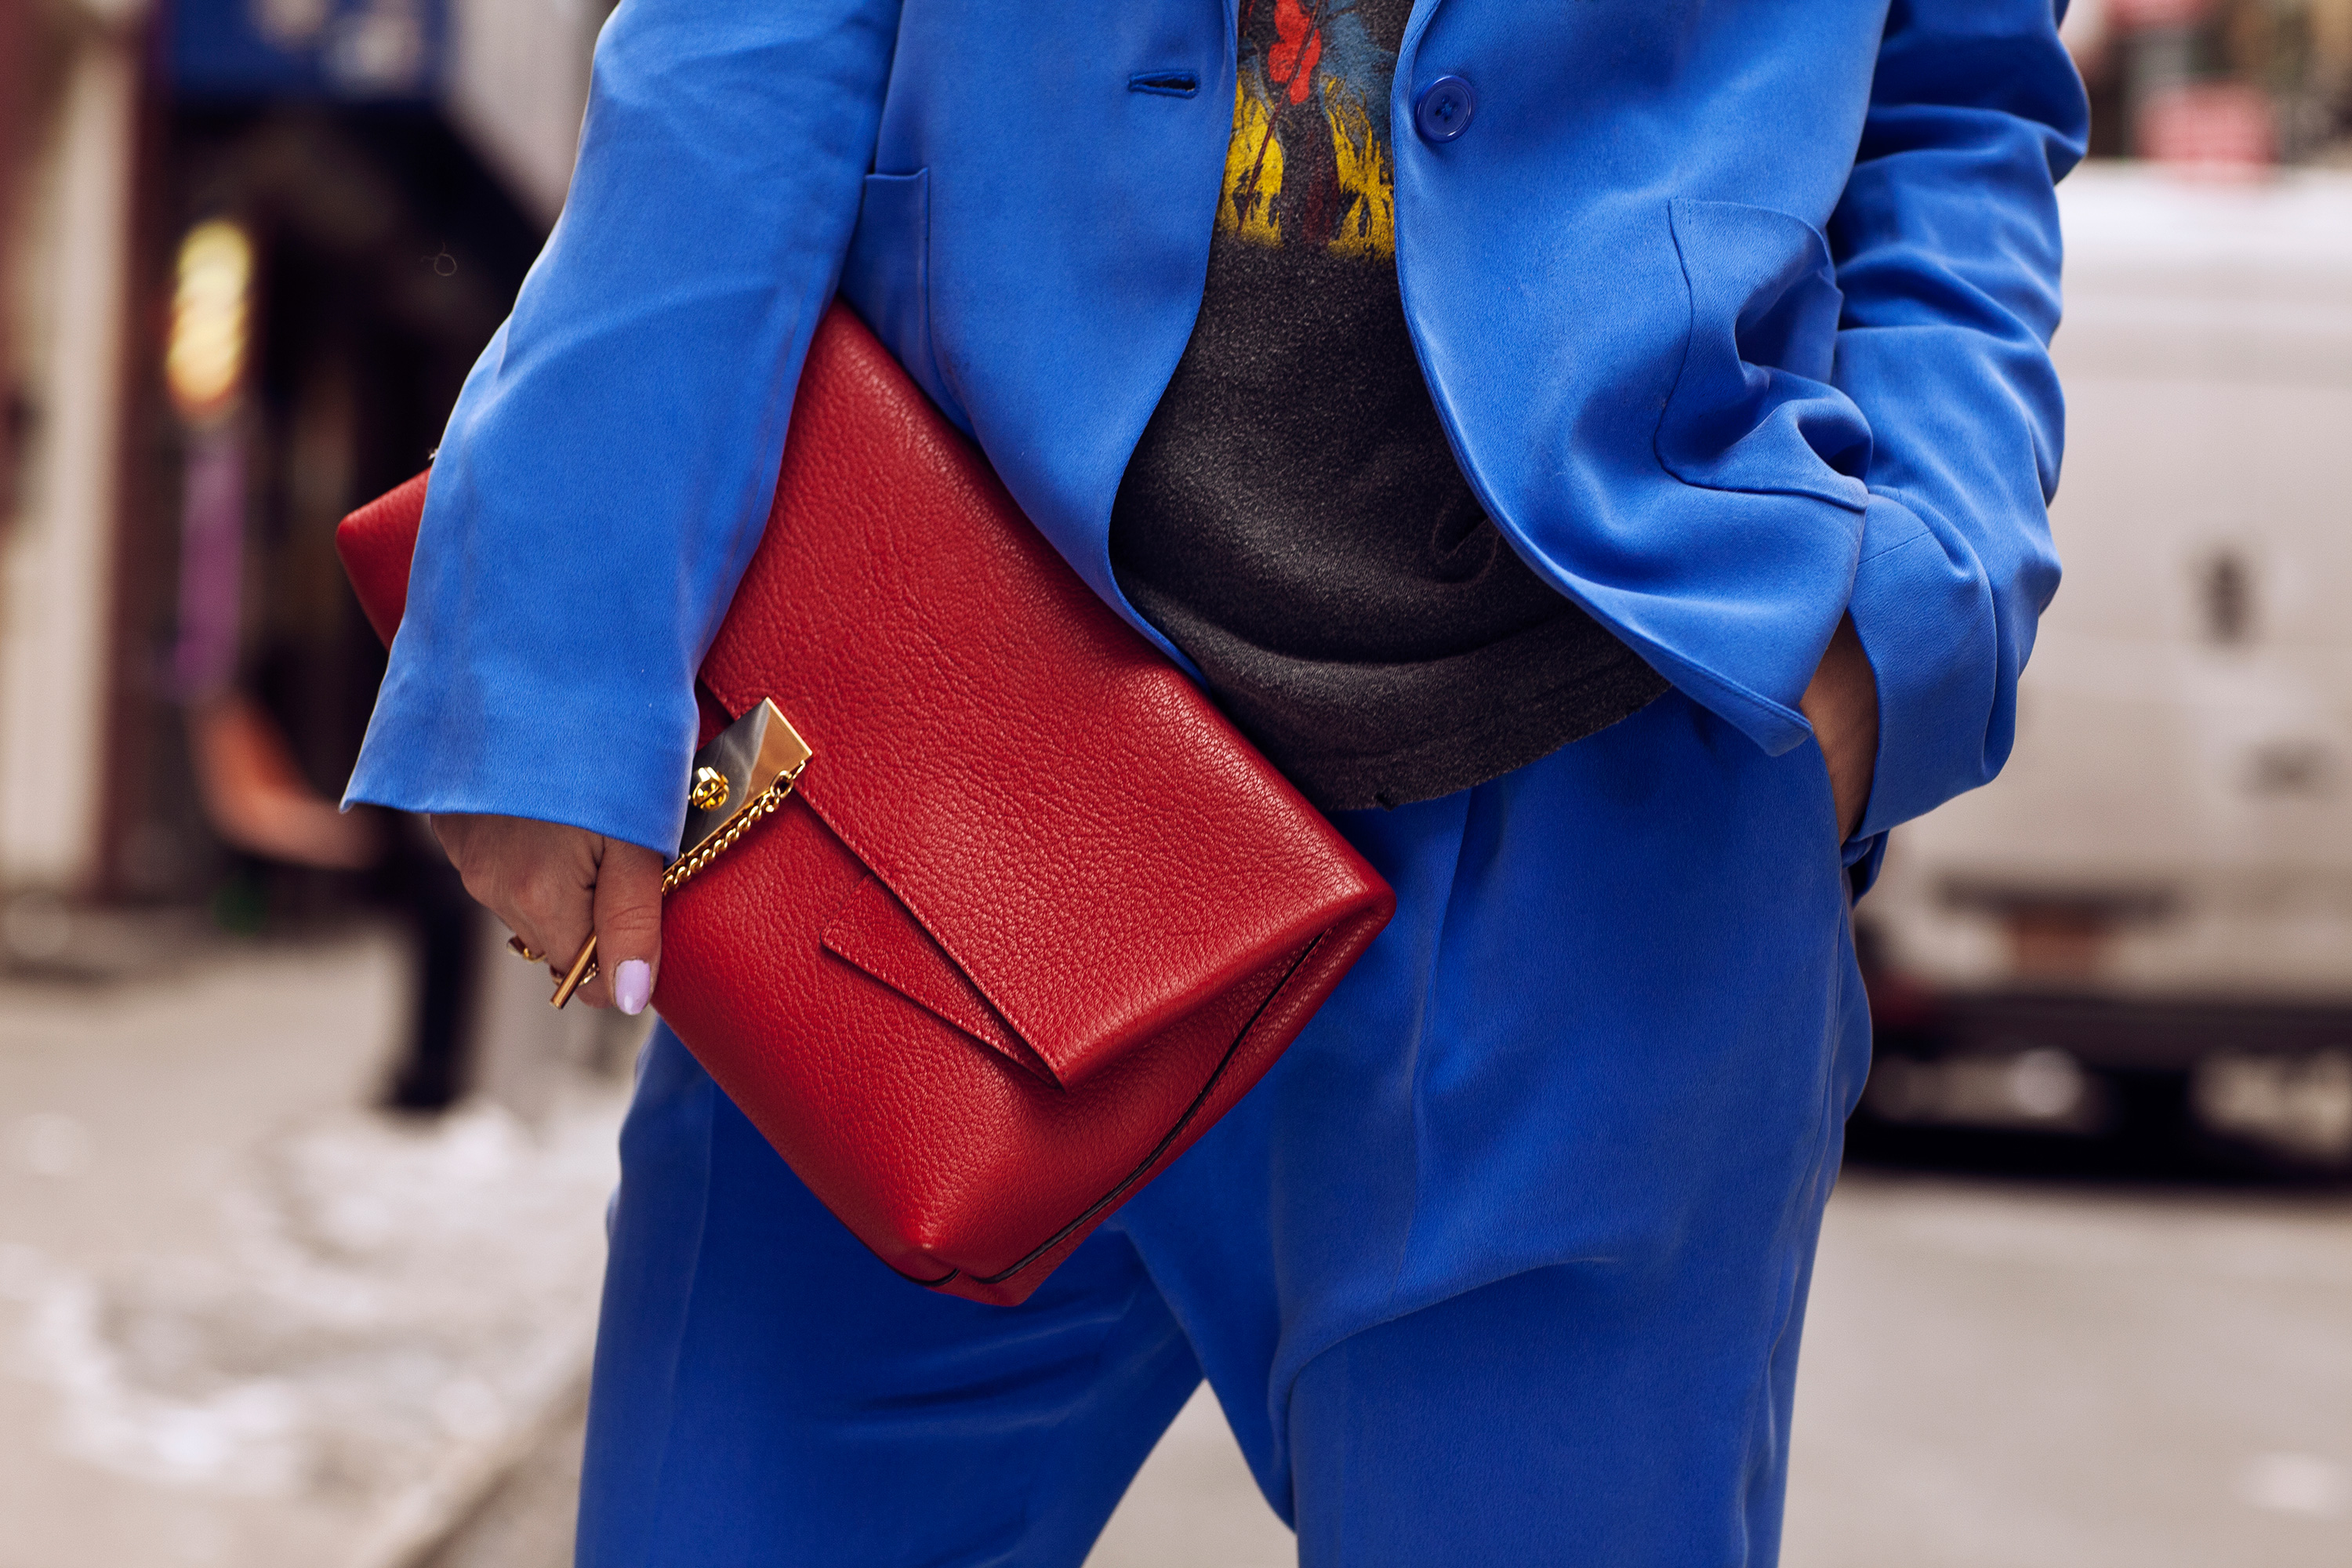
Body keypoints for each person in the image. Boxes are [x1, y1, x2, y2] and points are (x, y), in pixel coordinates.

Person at [348, 2, 2085, 1562]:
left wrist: (1919, 590)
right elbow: (739, 39)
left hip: (1599, 843)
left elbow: (1953, 91)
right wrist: (562, 621)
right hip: (940, 770)